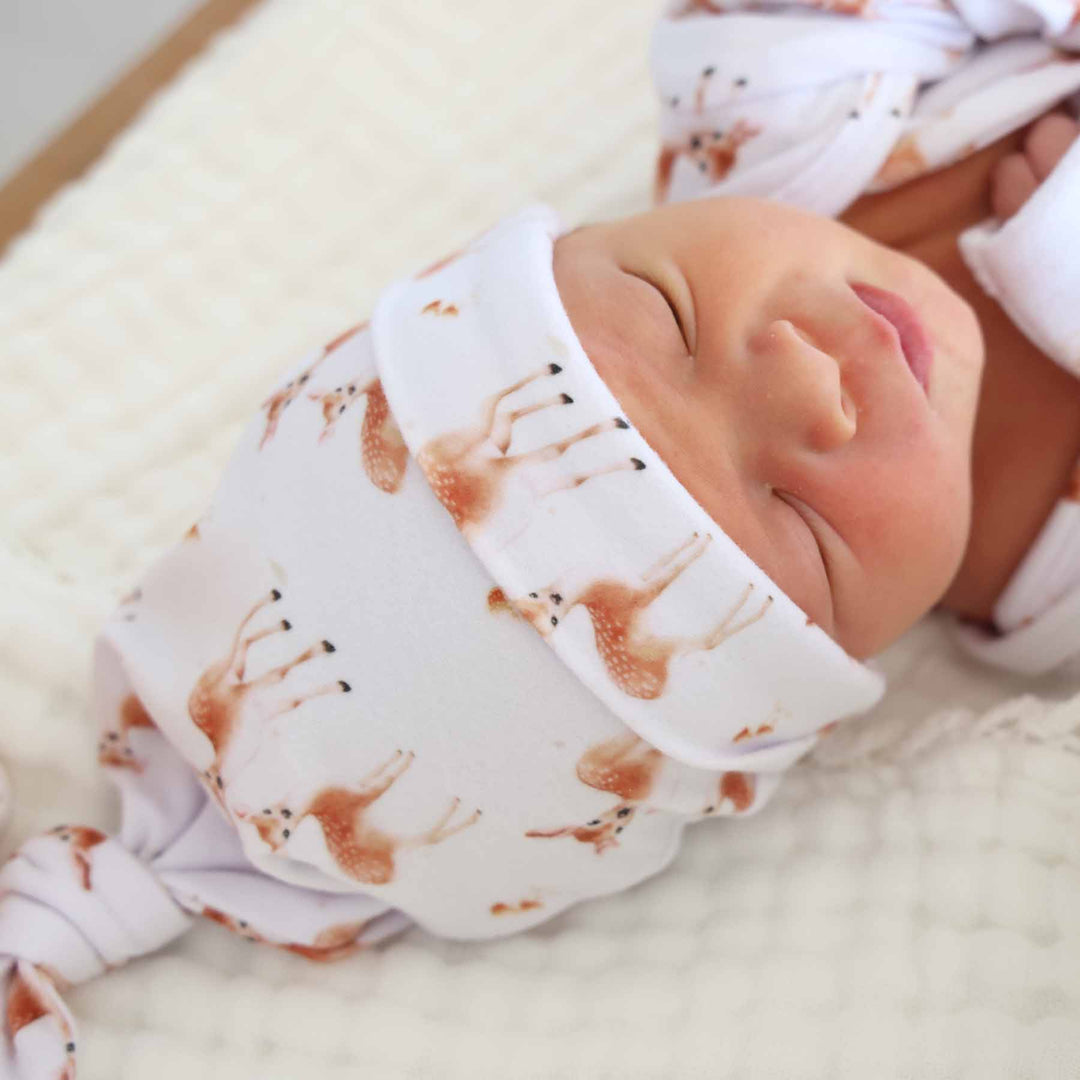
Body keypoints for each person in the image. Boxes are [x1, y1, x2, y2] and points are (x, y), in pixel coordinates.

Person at [3, 1, 1079, 1074]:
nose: (809, 375)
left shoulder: (776, 122)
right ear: (832, 681)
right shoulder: (1046, 585)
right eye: (797, 522)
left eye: (672, 316)